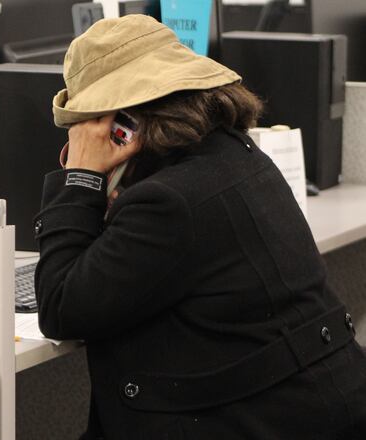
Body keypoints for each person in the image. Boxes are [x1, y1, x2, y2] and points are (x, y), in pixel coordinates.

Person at [34, 14, 366, 440]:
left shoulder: (167, 202)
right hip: (313, 408)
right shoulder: (237, 155)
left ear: (121, 126)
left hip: (252, 421)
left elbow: (61, 307)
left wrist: (81, 174)